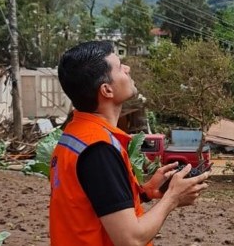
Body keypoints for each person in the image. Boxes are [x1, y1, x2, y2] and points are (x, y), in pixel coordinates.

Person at [49, 40, 210, 246]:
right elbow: (130, 239)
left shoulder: (76, 135)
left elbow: (93, 201)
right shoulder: (99, 150)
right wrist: (173, 197)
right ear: (107, 90)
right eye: (119, 67)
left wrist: (145, 192)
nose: (128, 68)